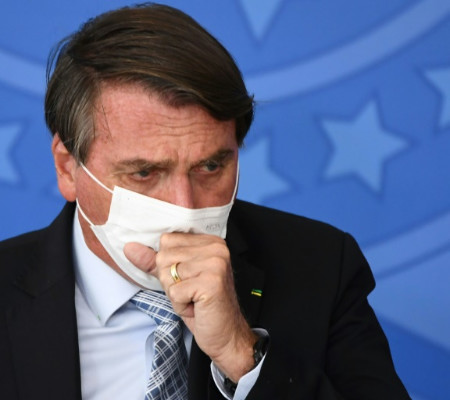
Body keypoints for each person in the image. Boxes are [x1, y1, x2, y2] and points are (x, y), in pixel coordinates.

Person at [0, 3, 411, 399]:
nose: (185, 209)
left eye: (211, 166)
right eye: (144, 173)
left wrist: (241, 353)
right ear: (67, 168)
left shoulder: (320, 268)